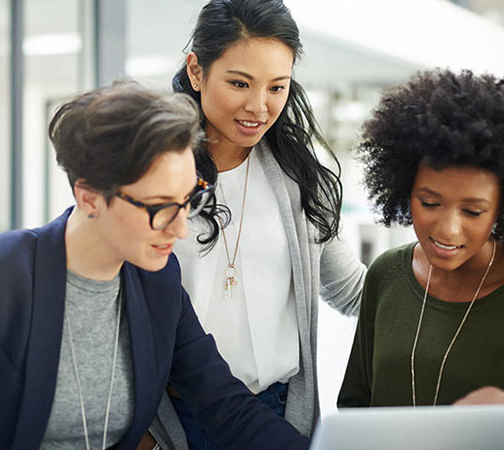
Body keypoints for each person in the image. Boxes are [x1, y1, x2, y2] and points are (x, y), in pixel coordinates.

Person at [0, 81, 309, 450]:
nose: (180, 229)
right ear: (89, 196)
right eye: (159, 207)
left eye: (189, 200)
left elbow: (224, 405)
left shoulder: (157, 281)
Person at [151, 1, 366, 448]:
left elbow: (352, 291)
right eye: (239, 83)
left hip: (277, 414)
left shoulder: (299, 178)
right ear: (196, 71)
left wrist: (446, 273)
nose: (259, 106)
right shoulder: (151, 171)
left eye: (277, 87)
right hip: (175, 421)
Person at [337, 69, 504, 408]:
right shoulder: (385, 275)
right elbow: (354, 409)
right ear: (405, 190)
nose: (448, 229)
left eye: (473, 211)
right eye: (430, 203)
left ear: (503, 208)